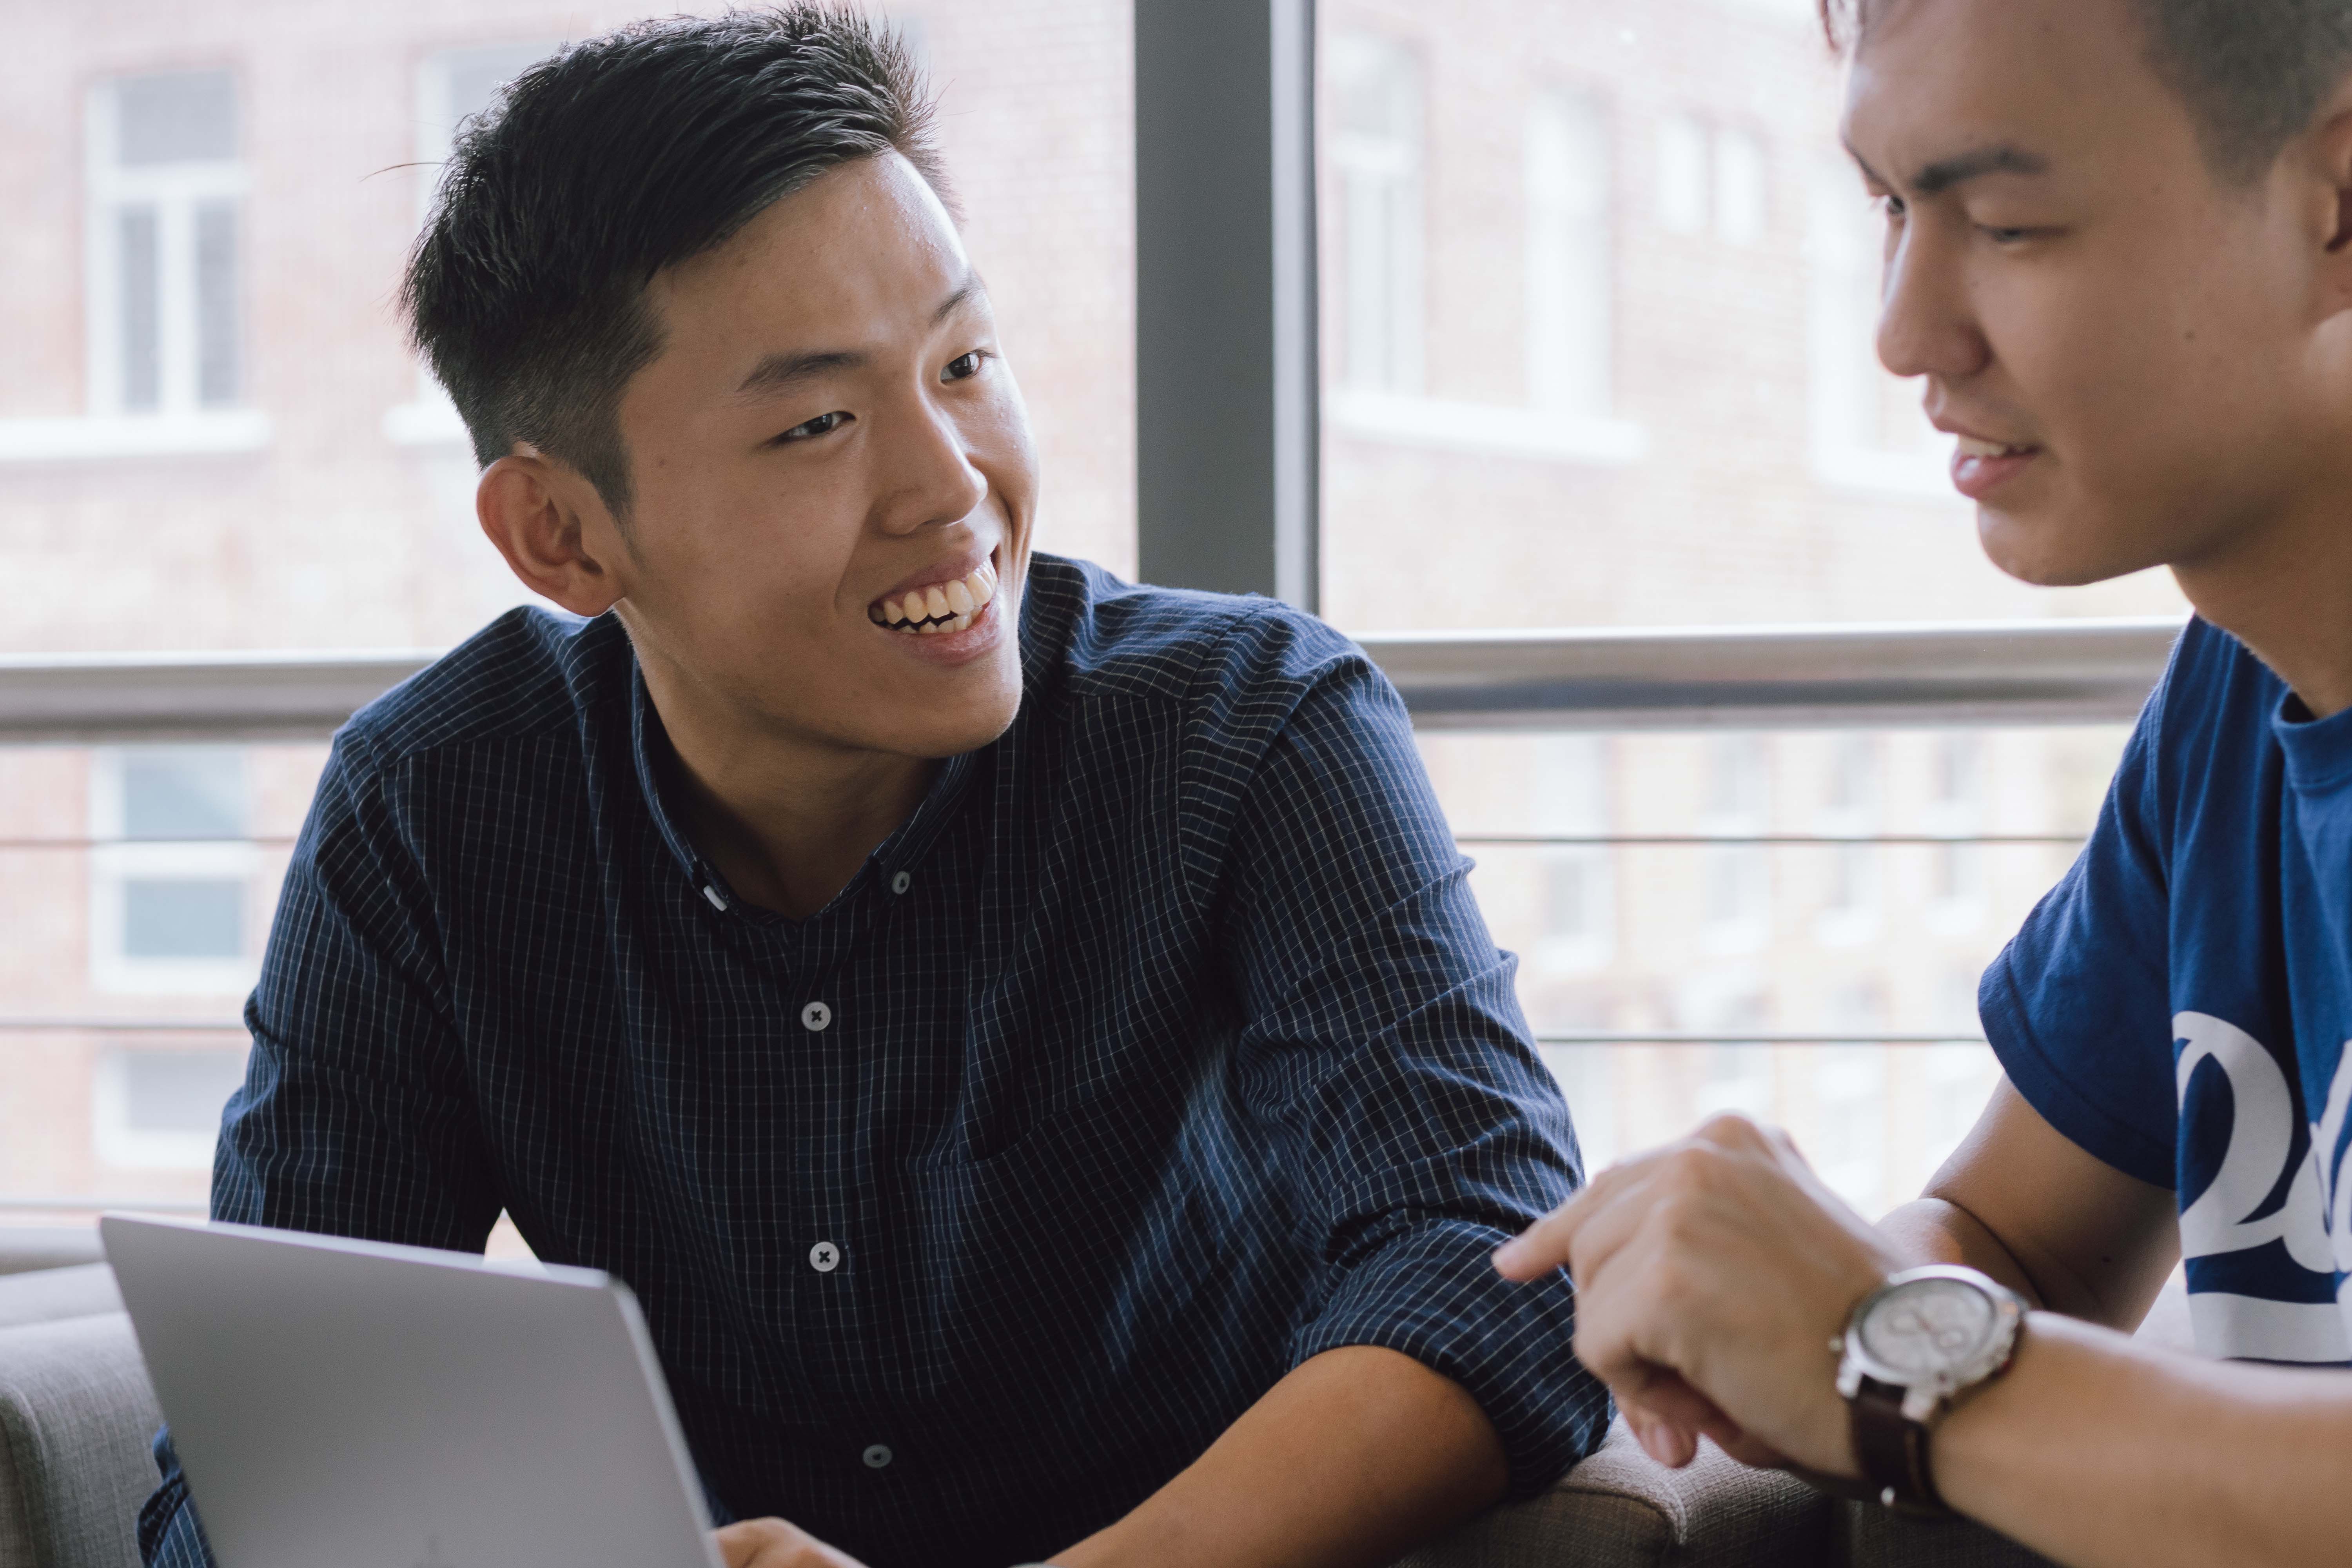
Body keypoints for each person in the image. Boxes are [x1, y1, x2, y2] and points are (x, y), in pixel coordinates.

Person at [135, 11, 1607, 1568]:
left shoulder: (1253, 730)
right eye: (819, 422)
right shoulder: (432, 813)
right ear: (564, 535)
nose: (952, 485)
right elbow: (255, 1469)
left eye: (966, 361)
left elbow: (1495, 1265)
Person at [1494, 1, 2352, 1564]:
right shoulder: (2235, 687)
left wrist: (1917, 1365)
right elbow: (2021, 1235)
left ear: (2339, 201)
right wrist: (1814, 1306)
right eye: (1893, 207)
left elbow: (1967, 1343)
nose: (1902, 331)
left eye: (2009, 225)